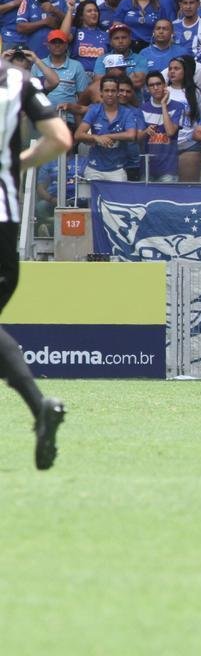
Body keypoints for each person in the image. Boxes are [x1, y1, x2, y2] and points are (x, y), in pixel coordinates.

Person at [0, 56, 72, 468]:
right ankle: (40, 408)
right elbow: (60, 139)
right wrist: (19, 164)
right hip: (4, 220)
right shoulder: (18, 81)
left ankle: (40, 405)